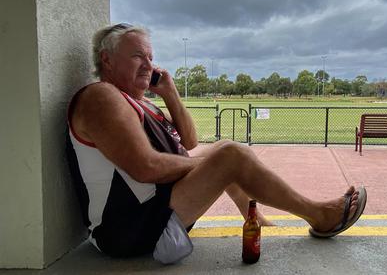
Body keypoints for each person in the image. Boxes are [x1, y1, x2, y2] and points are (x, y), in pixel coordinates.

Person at [66, 23, 367, 264]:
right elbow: (146, 167)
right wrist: (215, 163)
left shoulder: (141, 103)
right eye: (137, 56)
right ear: (106, 59)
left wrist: (170, 93)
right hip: (127, 229)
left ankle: (256, 219)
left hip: (158, 213)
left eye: (151, 58)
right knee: (230, 154)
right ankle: (320, 216)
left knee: (224, 152)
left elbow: (189, 141)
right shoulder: (102, 97)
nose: (148, 64)